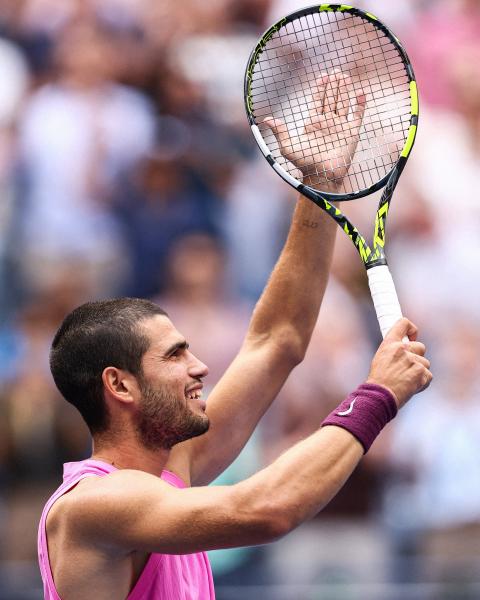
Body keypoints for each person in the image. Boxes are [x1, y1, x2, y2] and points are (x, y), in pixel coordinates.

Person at [37, 73, 432, 599]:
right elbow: (266, 510)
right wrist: (377, 394)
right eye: (174, 355)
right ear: (120, 385)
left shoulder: (173, 471)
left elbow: (278, 339)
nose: (199, 366)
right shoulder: (95, 503)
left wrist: (319, 186)